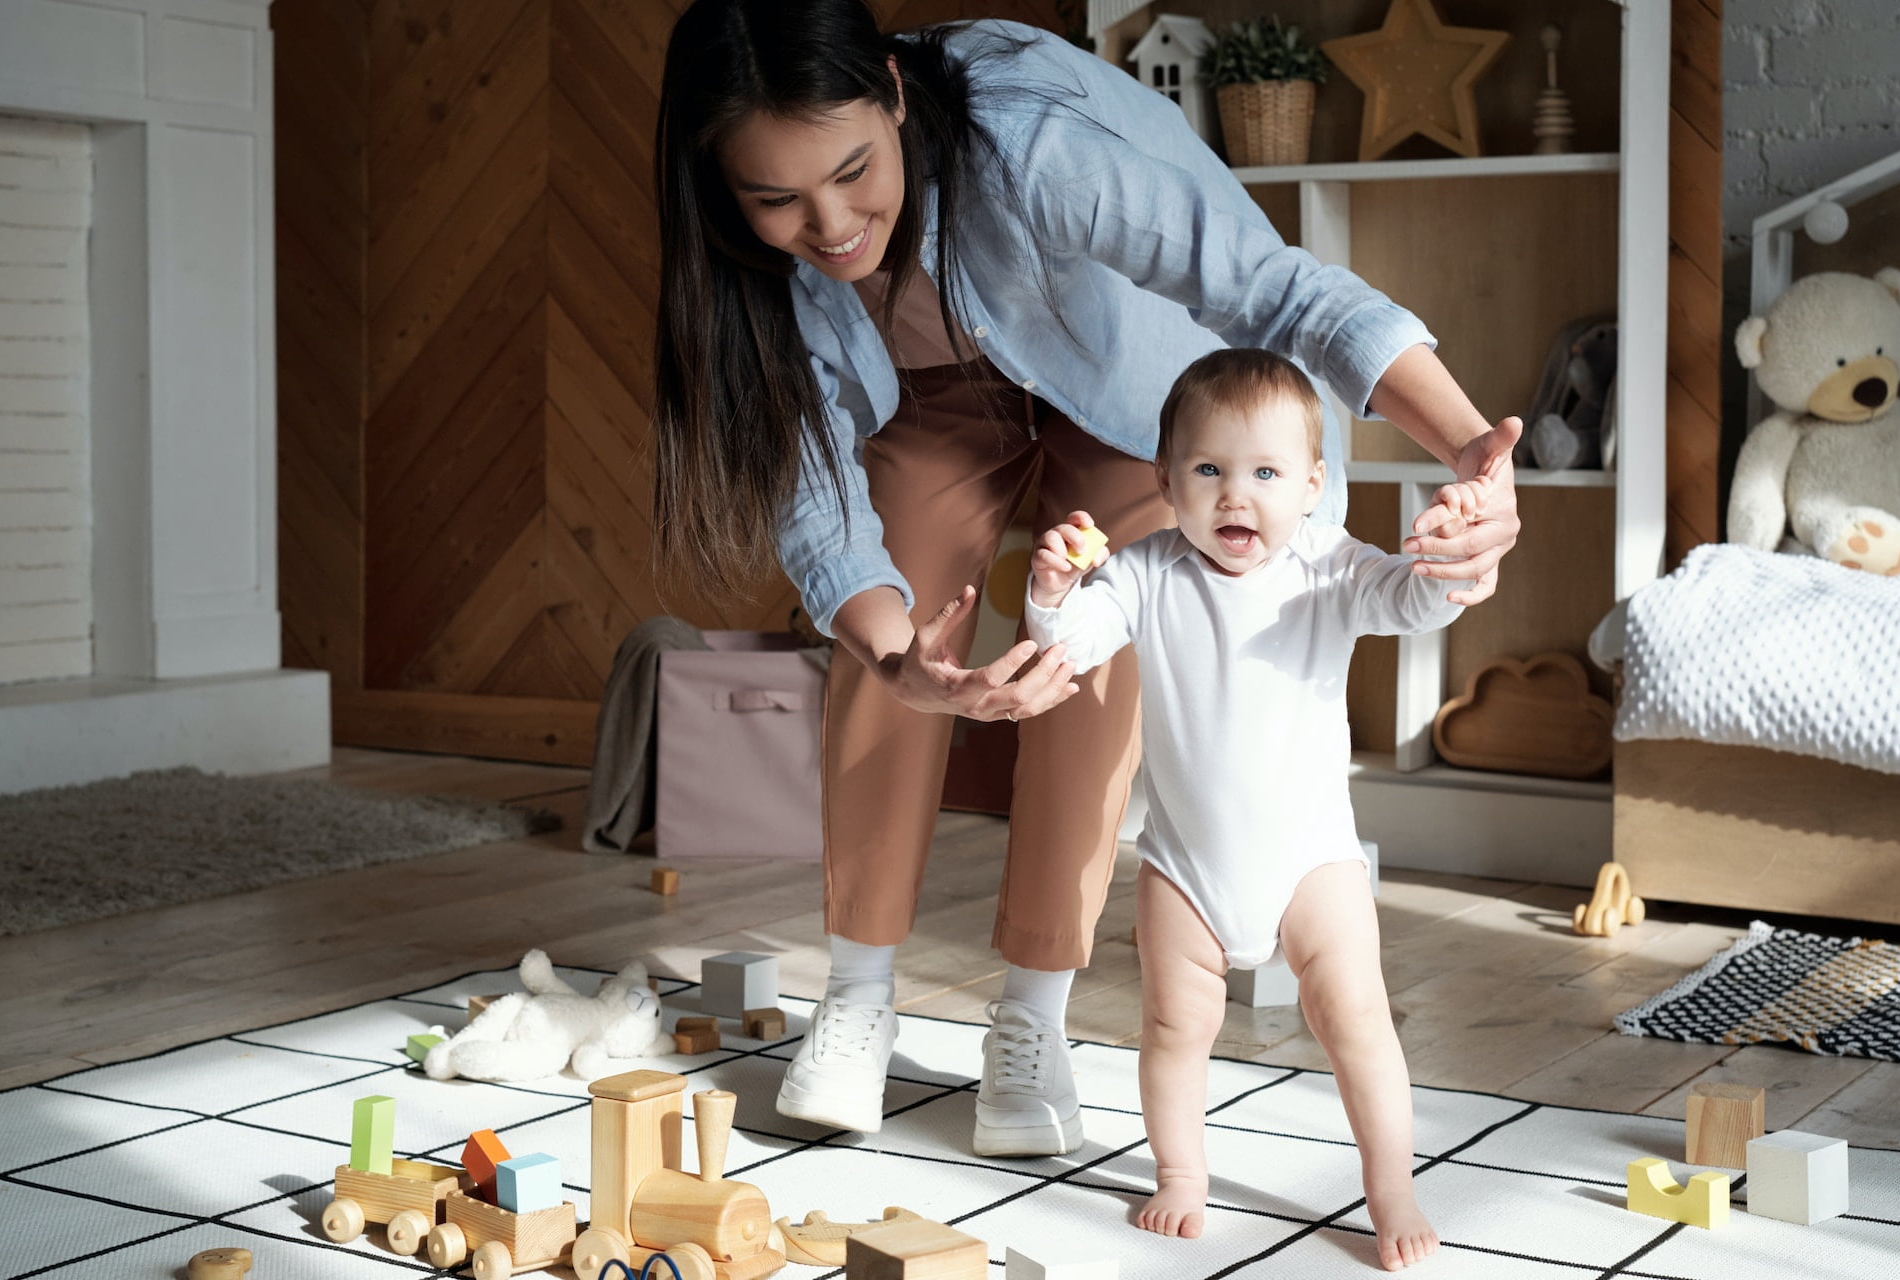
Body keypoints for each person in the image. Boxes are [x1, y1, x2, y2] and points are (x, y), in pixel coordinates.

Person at [651, 0, 1522, 1159]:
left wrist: (1470, 450)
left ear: (895, 96)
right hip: (931, 401)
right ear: (725, 189)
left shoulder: (1032, 139)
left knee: (1106, 634)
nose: (832, 224)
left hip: (1131, 392)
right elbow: (820, 506)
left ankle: (1033, 1015)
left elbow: (1278, 292)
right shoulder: (754, 273)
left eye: (854, 172)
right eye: (777, 199)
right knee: (894, 620)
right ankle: (856, 993)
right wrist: (902, 660)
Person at [1027, 349, 1480, 1269]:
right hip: (1184, 867)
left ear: (1313, 486)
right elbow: (1072, 644)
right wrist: (1050, 593)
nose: (1237, 496)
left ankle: (1391, 1186)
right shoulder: (1146, 573)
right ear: (1165, 482)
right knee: (1172, 1028)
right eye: (1208, 470)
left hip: (1313, 861)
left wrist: (1442, 563)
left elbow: (1411, 602)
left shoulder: (1328, 565)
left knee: (1357, 1019)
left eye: (1267, 473)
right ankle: (1180, 1174)